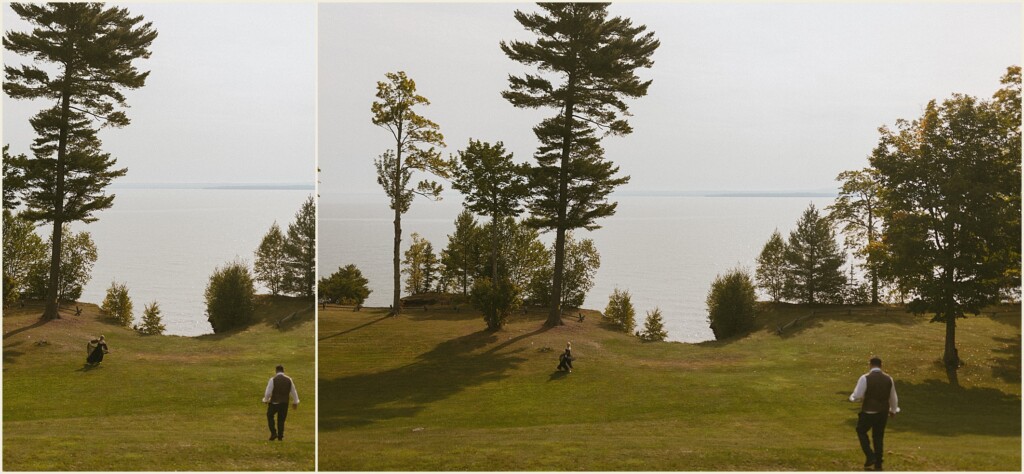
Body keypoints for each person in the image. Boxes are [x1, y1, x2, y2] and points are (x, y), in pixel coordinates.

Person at [849, 357, 899, 471]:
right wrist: (893, 410)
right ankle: (878, 461)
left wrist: (852, 398)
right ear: (881, 365)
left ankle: (870, 455)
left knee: (861, 430)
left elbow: (858, 395)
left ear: (870, 365)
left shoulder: (865, 378)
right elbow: (893, 397)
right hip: (883, 412)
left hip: (869, 411)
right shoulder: (888, 379)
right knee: (878, 436)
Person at [263, 365, 299, 441]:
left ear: (276, 371)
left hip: (274, 403)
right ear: (283, 371)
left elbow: (268, 392)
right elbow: (293, 391)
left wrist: (266, 400)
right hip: (284, 403)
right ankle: (280, 436)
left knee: (270, 416)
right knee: (281, 420)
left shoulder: (273, 379)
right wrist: (295, 401)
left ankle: (273, 433)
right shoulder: (289, 379)